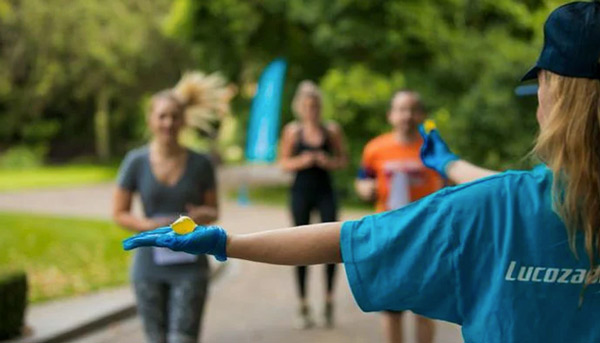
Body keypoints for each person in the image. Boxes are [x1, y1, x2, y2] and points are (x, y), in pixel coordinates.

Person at [122, 2, 600, 342]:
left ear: (555, 98)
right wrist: (449, 164)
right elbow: (513, 192)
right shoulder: (498, 201)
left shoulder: (490, 207)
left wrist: (226, 243)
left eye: (541, 84)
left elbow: (347, 238)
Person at [113, 85, 218, 343]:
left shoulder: (201, 163)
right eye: (162, 116)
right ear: (151, 120)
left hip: (191, 265)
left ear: (183, 121)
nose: (168, 122)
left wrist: (201, 215)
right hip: (149, 266)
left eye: (174, 116)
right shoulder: (135, 162)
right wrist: (147, 224)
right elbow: (119, 213)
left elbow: (213, 211)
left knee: (183, 339)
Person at [355, 90, 442, 343]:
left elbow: (447, 183)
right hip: (387, 234)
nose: (407, 115)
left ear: (422, 115)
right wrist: (364, 189)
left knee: (425, 307)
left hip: (424, 234)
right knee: (391, 307)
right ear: (391, 115)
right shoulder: (375, 148)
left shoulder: (432, 148)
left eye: (413, 109)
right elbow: (363, 179)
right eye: (401, 109)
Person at [279, 80, 348, 328]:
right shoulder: (292, 132)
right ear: (300, 107)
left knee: (330, 243)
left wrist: (327, 161)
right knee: (300, 245)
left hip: (325, 191)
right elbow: (283, 163)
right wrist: (304, 160)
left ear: (320, 107)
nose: (311, 111)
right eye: (307, 106)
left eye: (315, 106)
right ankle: (303, 303)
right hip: (301, 191)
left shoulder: (331, 130)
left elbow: (343, 161)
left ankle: (329, 301)